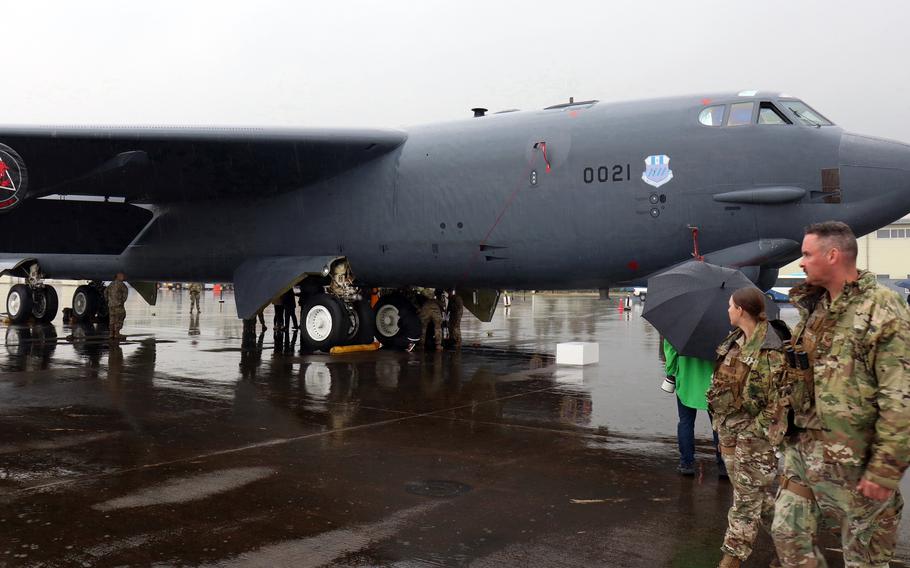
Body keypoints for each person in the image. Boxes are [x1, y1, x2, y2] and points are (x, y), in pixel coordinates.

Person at [772, 221, 910, 567]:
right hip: (805, 455)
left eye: (806, 254)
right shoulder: (814, 309)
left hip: (856, 463)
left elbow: (900, 397)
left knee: (864, 558)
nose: (801, 262)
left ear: (832, 255)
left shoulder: (882, 308)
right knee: (787, 535)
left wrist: (885, 470)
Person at [708, 287, 787, 568]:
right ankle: (792, 542)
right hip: (730, 435)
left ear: (741, 310)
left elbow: (778, 404)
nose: (727, 310)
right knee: (757, 499)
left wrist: (752, 436)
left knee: (744, 500)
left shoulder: (771, 349)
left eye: (730, 306)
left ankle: (732, 558)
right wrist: (723, 432)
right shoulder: (733, 342)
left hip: (756, 440)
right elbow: (721, 388)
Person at [663, 338, 726, 477]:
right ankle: (723, 465)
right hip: (713, 381)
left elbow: (671, 350)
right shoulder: (719, 328)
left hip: (686, 379)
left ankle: (686, 463)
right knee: (719, 425)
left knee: (686, 422)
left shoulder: (681, 327)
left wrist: (671, 371)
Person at [104, 272, 129, 341]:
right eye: (121, 276)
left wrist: (108, 300)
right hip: (118, 305)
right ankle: (117, 333)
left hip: (111, 305)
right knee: (120, 317)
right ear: (117, 276)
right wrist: (121, 301)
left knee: (112, 319)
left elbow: (105, 292)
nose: (123, 277)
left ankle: (111, 334)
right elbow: (125, 294)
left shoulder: (111, 284)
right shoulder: (122, 285)